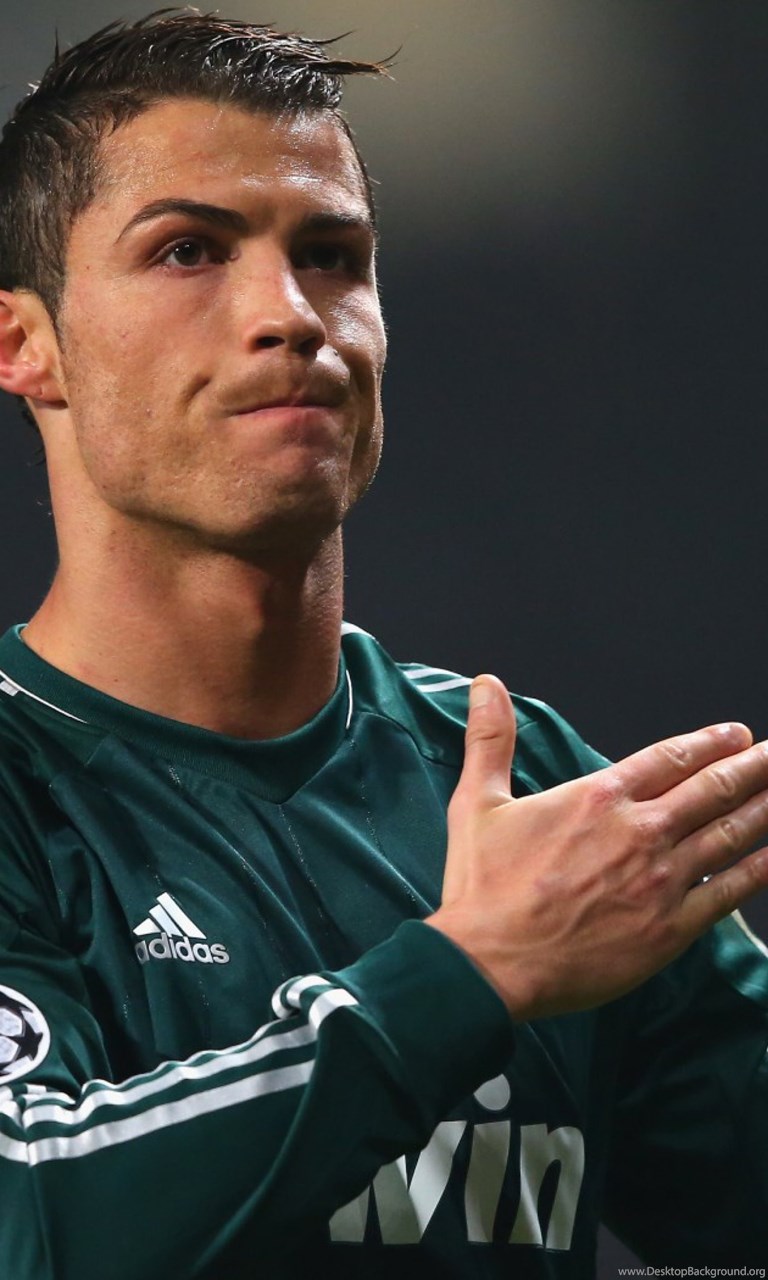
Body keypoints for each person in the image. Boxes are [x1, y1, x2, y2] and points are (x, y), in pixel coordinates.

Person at [0, 11, 767, 1277]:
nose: (290, 313)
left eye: (331, 256)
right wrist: (471, 971)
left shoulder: (530, 799)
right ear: (26, 344)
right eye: (189, 250)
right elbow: (29, 1217)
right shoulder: (25, 788)